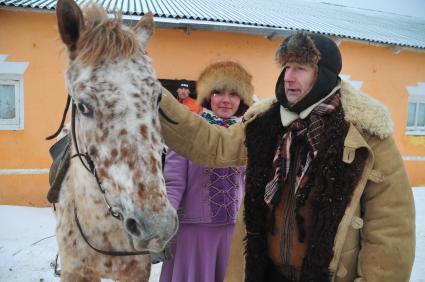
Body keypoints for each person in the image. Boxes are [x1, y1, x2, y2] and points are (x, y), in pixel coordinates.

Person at [158, 32, 415, 282]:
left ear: (324, 74)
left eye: (300, 69)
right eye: (287, 67)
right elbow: (213, 145)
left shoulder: (365, 134)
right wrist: (158, 99)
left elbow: (391, 229)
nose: (288, 78)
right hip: (265, 273)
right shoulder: (265, 123)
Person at [159, 61, 254, 282]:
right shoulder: (189, 131)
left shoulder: (248, 135)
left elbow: (251, 185)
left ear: (241, 100)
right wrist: (163, 227)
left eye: (233, 94)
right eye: (218, 92)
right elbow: (173, 182)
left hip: (232, 235)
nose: (225, 100)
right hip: (192, 235)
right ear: (208, 96)